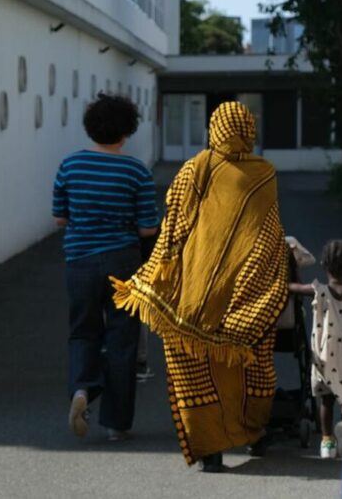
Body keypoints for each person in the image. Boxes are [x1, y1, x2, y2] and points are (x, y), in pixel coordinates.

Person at [111, 101, 288, 472]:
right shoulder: (264, 175)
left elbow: (173, 229)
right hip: (246, 297)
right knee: (248, 367)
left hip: (191, 297)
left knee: (194, 371)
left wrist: (159, 273)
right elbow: (269, 239)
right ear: (248, 129)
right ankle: (254, 435)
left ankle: (210, 451)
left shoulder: (193, 169)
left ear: (215, 130)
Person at [53, 93, 159, 442]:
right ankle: (116, 424)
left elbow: (59, 217)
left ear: (90, 128)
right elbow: (147, 229)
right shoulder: (136, 171)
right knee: (122, 340)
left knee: (83, 331)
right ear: (126, 131)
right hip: (123, 261)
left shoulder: (70, 165)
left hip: (79, 260)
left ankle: (82, 390)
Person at [289, 239, 342, 459]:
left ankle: (327, 442)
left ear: (324, 265)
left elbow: (293, 288)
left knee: (326, 399)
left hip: (325, 356)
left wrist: (289, 273)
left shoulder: (319, 291)